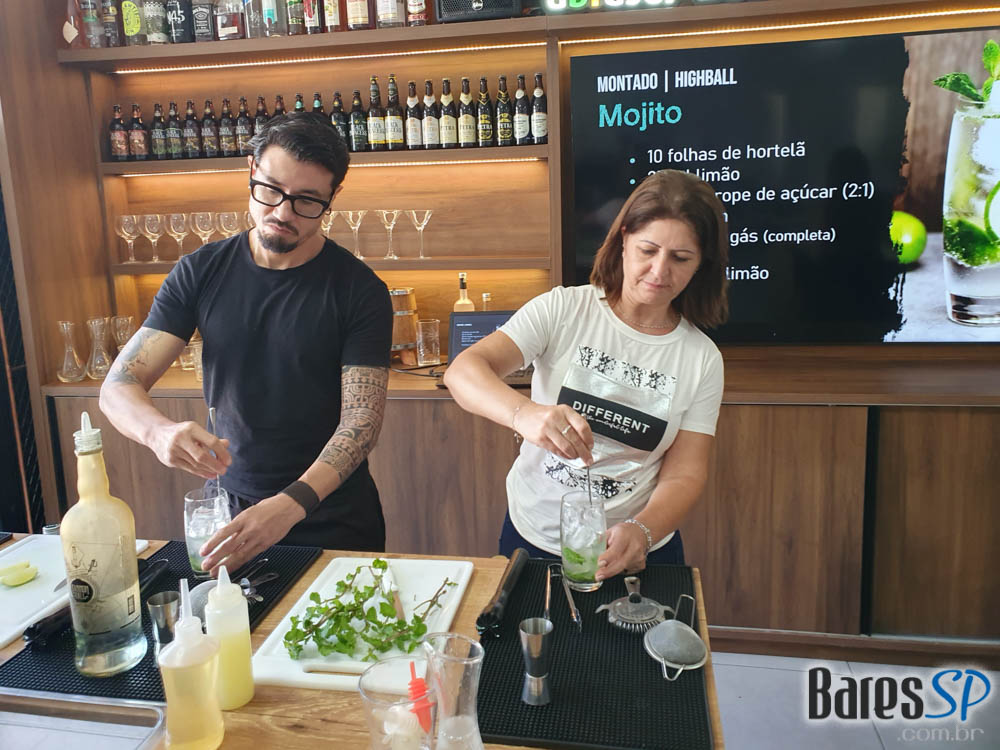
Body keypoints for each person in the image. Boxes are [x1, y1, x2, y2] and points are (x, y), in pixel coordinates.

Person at [100, 113, 393, 575]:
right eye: (271, 190)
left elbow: (361, 423)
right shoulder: (200, 271)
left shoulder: (360, 290)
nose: (283, 213)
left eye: (306, 201)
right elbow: (119, 384)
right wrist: (158, 433)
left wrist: (291, 504)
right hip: (230, 511)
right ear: (251, 170)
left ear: (333, 198)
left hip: (331, 515)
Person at [443, 170, 728, 580]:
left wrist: (643, 531)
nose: (659, 271)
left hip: (637, 549)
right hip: (534, 538)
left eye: (681, 258)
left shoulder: (702, 358)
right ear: (624, 238)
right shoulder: (564, 309)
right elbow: (464, 371)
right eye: (648, 250)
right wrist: (526, 414)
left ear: (701, 264)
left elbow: (685, 473)